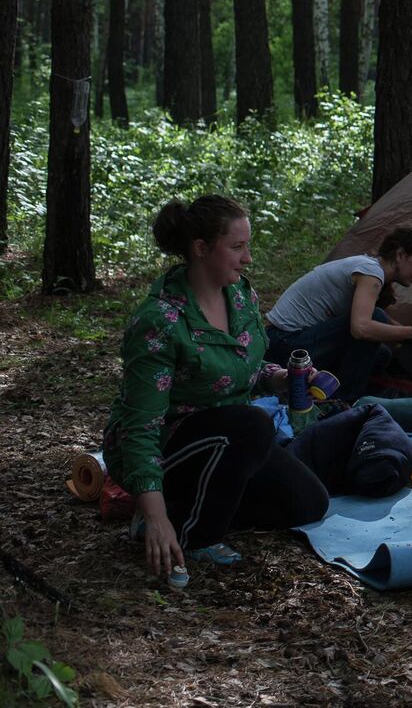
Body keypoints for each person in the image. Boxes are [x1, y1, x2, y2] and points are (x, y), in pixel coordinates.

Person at [103, 196, 329, 579]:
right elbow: (138, 429)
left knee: (308, 503)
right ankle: (192, 533)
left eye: (248, 246)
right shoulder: (161, 320)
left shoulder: (241, 296)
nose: (248, 258)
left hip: (230, 439)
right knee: (253, 424)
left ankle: (184, 505)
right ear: (201, 249)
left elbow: (247, 368)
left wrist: (281, 379)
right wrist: (158, 518)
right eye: (237, 247)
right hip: (167, 444)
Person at [264, 227, 412, 402]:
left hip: (289, 343)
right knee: (375, 322)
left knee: (382, 353)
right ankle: (344, 399)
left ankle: (328, 391)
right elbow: (361, 328)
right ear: (400, 255)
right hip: (285, 344)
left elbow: (386, 324)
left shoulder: (370, 268)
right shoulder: (371, 272)